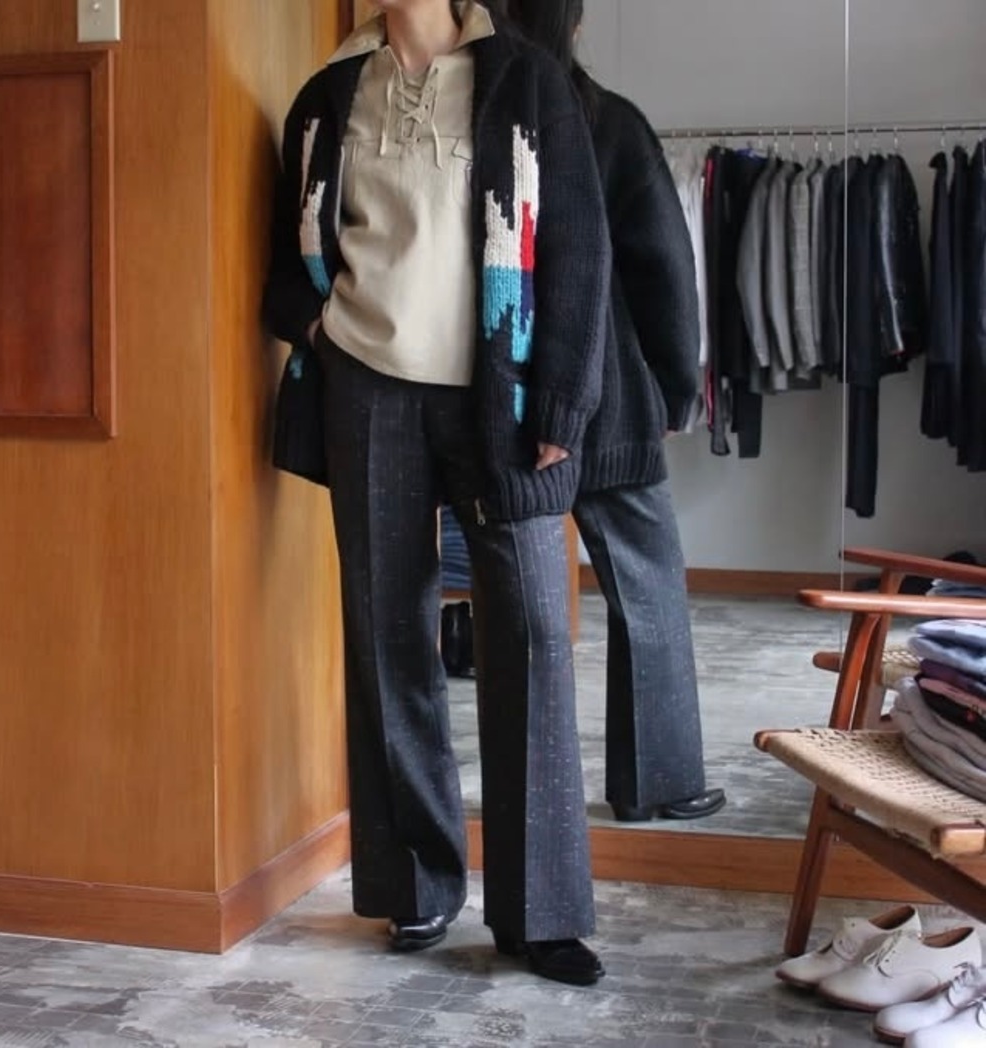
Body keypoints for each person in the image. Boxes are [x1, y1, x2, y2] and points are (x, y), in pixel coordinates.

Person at [262, 0, 612, 985]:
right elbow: (290, 250)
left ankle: (541, 914)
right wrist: (319, 325)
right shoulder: (327, 94)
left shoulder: (524, 81)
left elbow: (579, 249)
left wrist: (563, 400)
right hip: (366, 390)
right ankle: (414, 885)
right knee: (386, 635)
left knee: (530, 634)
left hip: (500, 393)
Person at [506, 0, 726, 823]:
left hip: (505, 393)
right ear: (573, 26)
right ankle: (658, 784)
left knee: (520, 610)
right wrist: (672, 387)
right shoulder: (611, 125)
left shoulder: (481, 122)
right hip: (610, 397)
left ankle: (532, 805)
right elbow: (664, 270)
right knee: (648, 585)